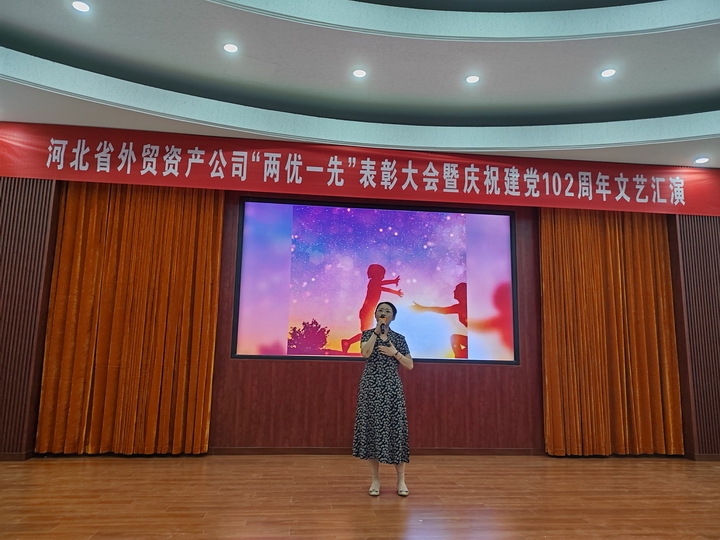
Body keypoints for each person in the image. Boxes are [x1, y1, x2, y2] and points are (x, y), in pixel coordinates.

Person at [352, 301, 413, 497]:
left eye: (387, 311)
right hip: (370, 388)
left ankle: (401, 480)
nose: (383, 313)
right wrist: (376, 334)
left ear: (393, 317)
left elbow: (410, 365)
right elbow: (365, 353)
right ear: (376, 315)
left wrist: (395, 353)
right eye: (380, 310)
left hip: (391, 389)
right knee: (372, 431)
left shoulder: (399, 339)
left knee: (396, 431)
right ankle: (375, 480)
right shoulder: (367, 335)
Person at [342, 264, 403, 354]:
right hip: (367, 311)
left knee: (368, 333)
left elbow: (383, 284)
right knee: (367, 333)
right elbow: (384, 287)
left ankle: (349, 343)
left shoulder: (375, 283)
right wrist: (395, 289)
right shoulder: (373, 283)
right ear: (376, 274)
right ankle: (350, 343)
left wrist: (393, 282)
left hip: (368, 311)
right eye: (382, 275)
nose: (383, 277)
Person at [411, 282, 468, 358]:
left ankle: (460, 360)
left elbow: (444, 311)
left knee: (456, 340)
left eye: (456, 289)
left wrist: (424, 308)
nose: (454, 291)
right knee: (455, 340)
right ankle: (459, 360)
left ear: (461, 292)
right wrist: (424, 308)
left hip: (477, 342)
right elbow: (444, 310)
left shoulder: (465, 307)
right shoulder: (460, 307)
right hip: (472, 341)